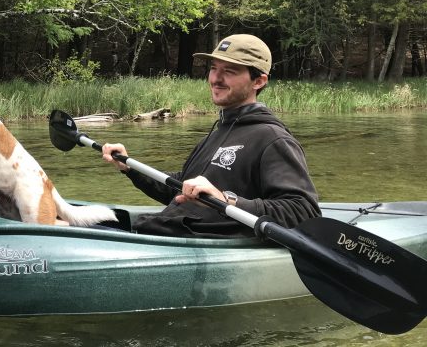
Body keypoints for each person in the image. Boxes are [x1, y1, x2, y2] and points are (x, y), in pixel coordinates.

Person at [102, 34, 321, 238]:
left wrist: (227, 200)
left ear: (259, 81)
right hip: (164, 231)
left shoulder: (273, 139)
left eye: (230, 71)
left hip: (193, 241)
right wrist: (130, 167)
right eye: (214, 68)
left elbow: (304, 212)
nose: (216, 78)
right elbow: (181, 189)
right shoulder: (218, 132)